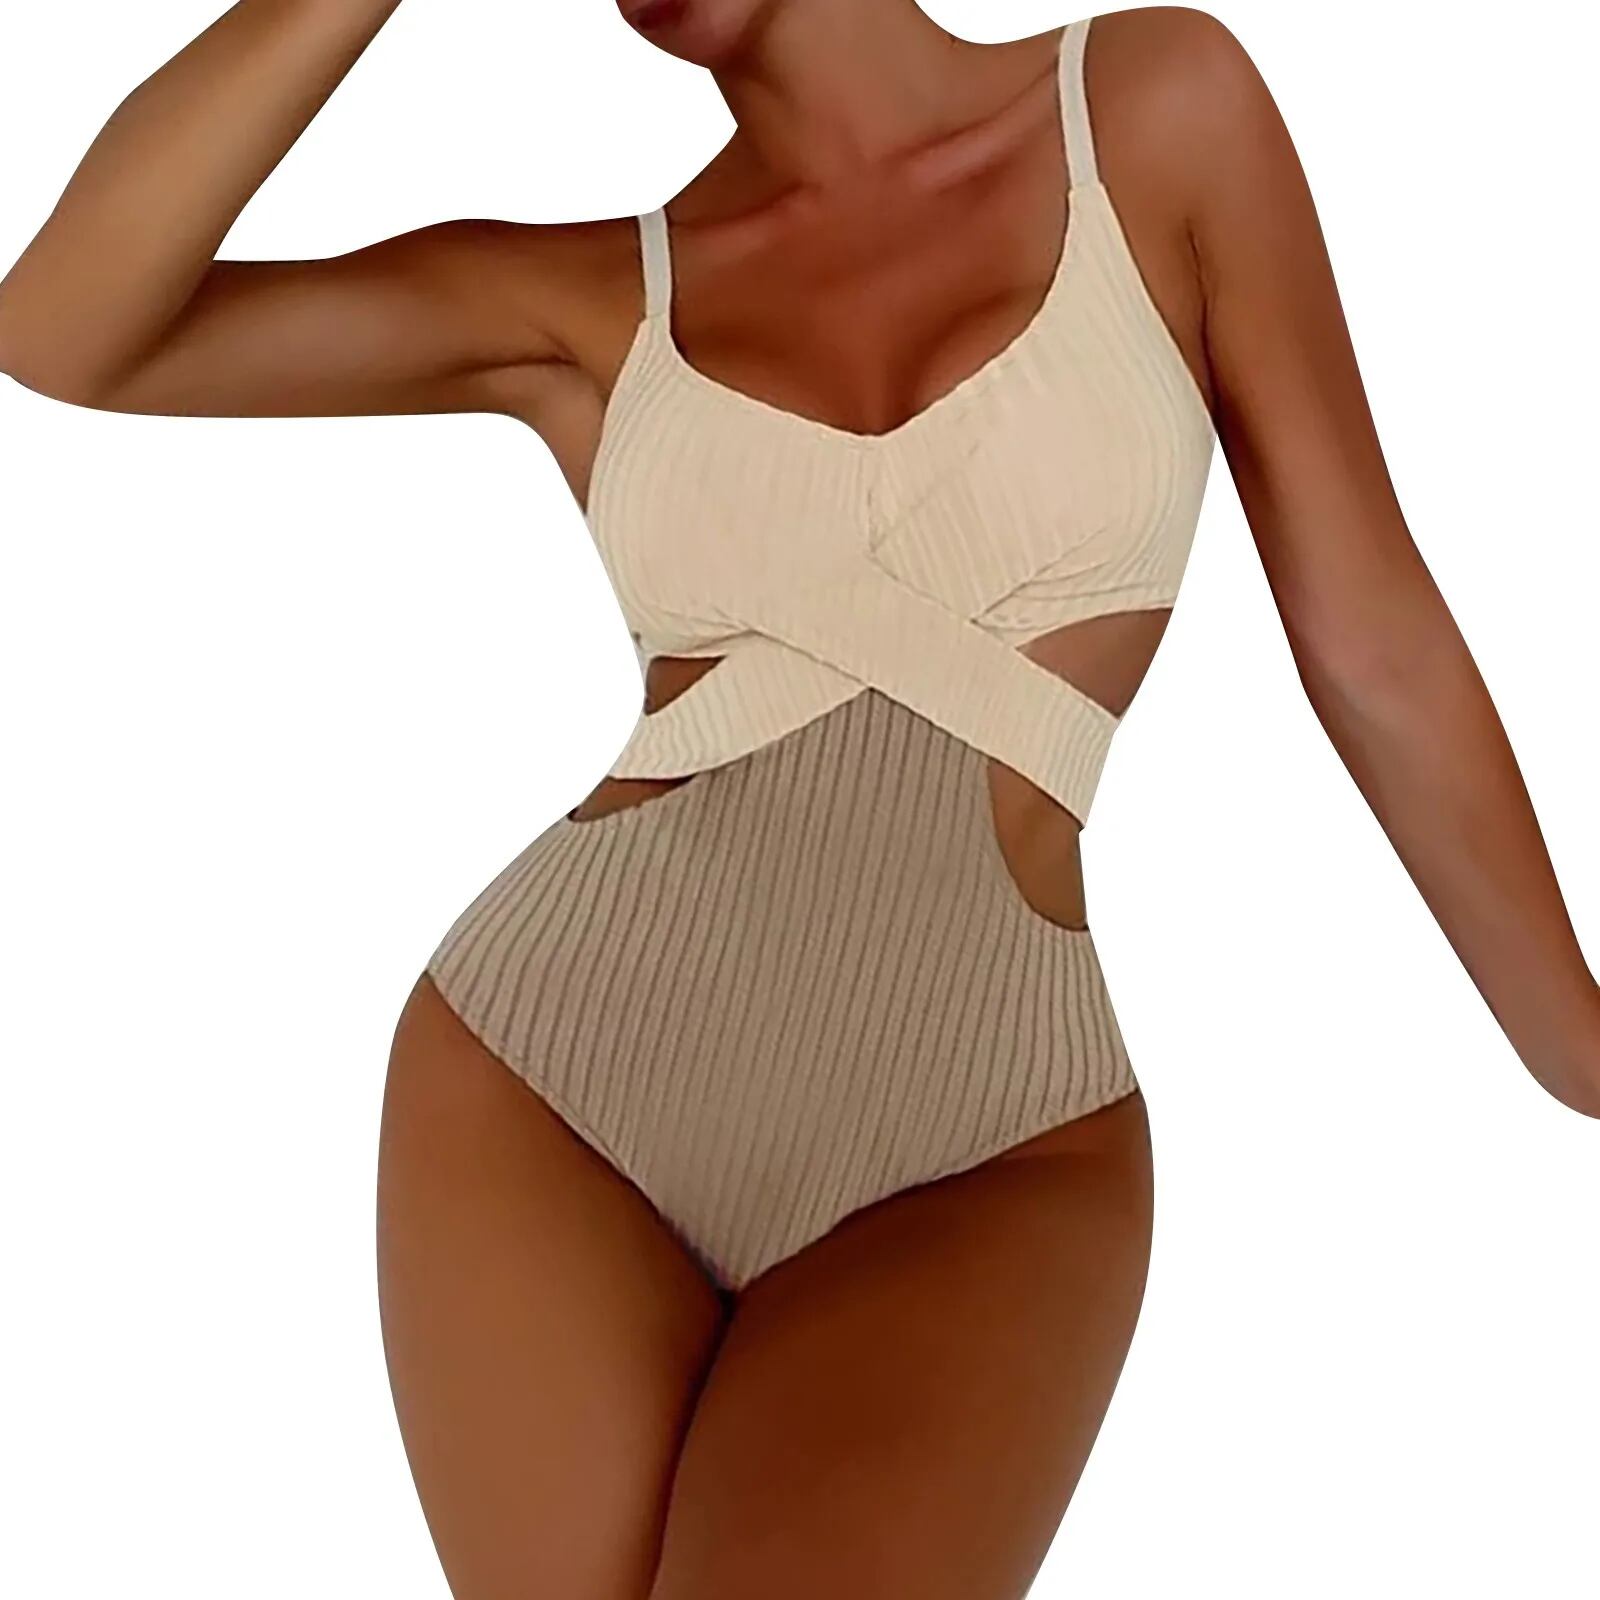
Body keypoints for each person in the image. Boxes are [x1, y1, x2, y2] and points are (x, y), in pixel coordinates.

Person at [1, 3, 1594, 1596]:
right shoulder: (585, 301)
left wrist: (1581, 1053)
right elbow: (66, 331)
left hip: (987, 1145)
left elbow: (1370, 639)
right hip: (552, 1091)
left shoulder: (1153, 111)